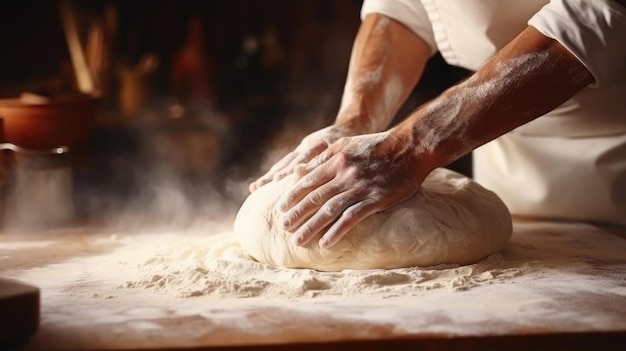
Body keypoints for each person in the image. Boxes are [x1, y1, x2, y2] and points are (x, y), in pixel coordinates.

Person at [248, 0, 626, 249]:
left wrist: (409, 147)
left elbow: (599, 15)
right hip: (507, 152)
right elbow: (403, 7)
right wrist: (354, 122)